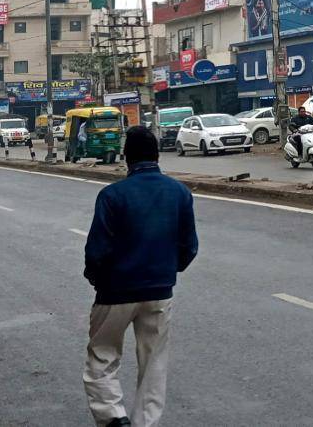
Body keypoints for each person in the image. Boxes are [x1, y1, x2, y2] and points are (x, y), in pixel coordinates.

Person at [83, 126, 198, 427]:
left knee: (103, 355)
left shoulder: (111, 196)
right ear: (158, 155)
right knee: (154, 362)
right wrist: (165, 272)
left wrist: (97, 279)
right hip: (159, 292)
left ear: (126, 157)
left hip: (115, 292)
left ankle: (113, 417)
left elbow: (96, 250)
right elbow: (189, 248)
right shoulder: (179, 192)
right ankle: (145, 423)